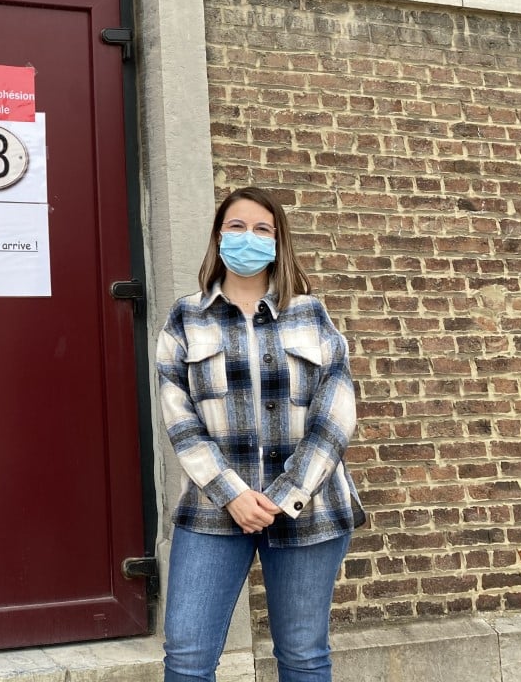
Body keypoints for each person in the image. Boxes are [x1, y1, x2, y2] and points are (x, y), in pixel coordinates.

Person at [156, 186, 364, 682]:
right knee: (186, 658)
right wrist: (232, 493)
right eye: (236, 226)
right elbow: (179, 419)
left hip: (309, 508)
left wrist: (287, 493)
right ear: (217, 236)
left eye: (261, 229)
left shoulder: (310, 314)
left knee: (303, 655)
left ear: (278, 241)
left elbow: (336, 414)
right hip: (212, 509)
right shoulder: (185, 318)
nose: (248, 237)